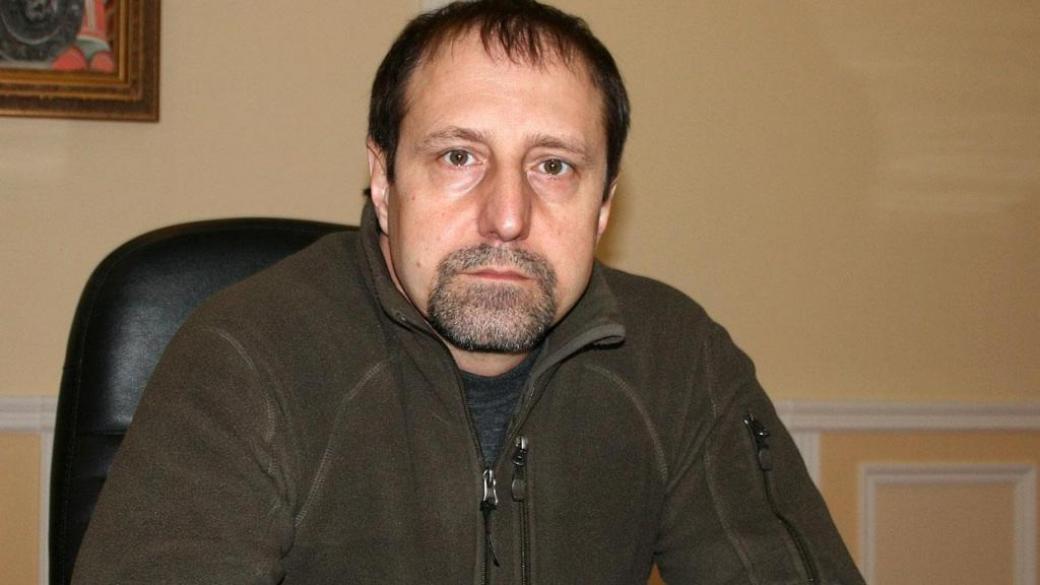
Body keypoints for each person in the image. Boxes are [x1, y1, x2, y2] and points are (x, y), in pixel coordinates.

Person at [74, 1, 865, 584]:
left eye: (553, 165)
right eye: (459, 157)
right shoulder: (245, 360)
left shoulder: (679, 360)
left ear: (603, 206)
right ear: (383, 180)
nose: (508, 215)